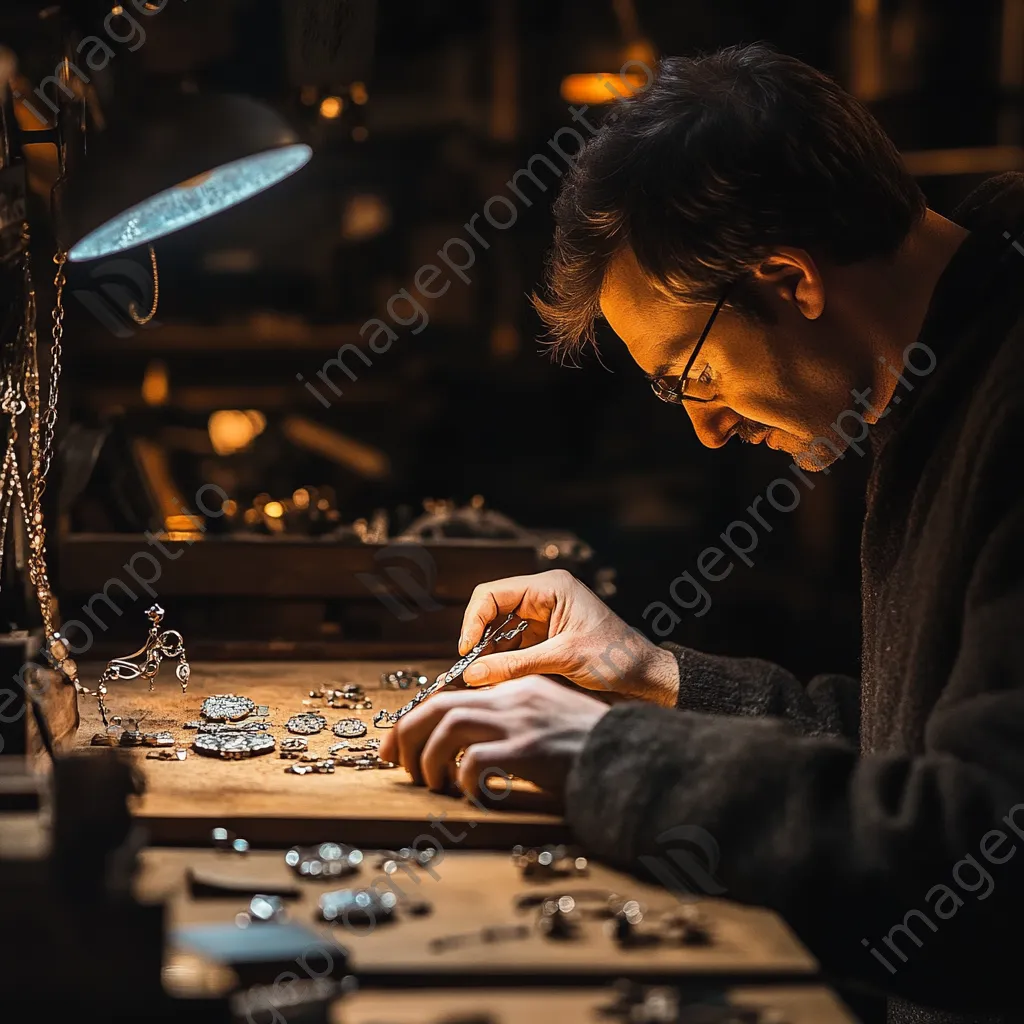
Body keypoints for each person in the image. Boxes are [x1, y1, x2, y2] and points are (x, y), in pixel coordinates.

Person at [379, 43, 1024, 1024]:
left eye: (693, 370)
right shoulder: (945, 373)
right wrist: (653, 674)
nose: (706, 424)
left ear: (787, 279)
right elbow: (912, 748)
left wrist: (612, 753)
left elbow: (982, 861)